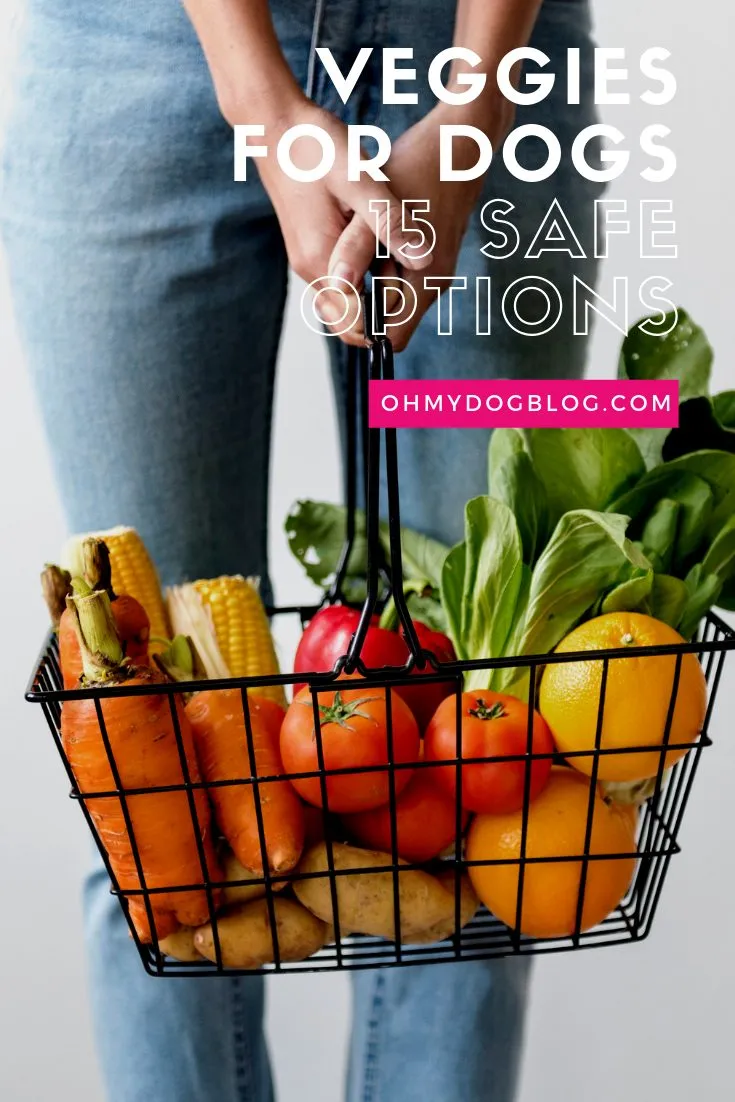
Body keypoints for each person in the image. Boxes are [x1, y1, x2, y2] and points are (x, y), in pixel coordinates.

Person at [1, 1, 603, 1099]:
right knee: (152, 789)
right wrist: (252, 88)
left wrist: (474, 100)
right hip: (134, 47)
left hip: (482, 45)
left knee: (486, 771)